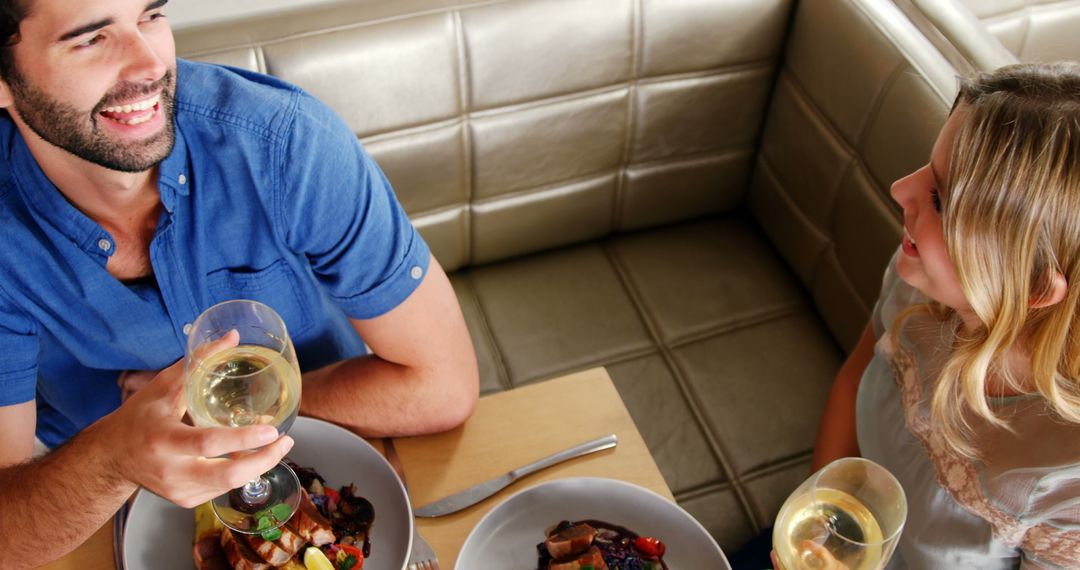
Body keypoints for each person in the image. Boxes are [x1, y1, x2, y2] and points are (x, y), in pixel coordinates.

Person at [0, 0, 479, 566]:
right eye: (90, 39)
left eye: (150, 15)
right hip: (100, 502)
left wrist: (227, 412)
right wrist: (113, 456)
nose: (151, 64)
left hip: (339, 453)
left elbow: (442, 387)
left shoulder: (284, 141)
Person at [807, 61, 1080, 568]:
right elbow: (854, 376)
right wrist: (817, 529)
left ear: (1036, 287)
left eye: (940, 199)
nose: (899, 188)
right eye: (927, 168)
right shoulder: (921, 280)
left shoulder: (1069, 482)